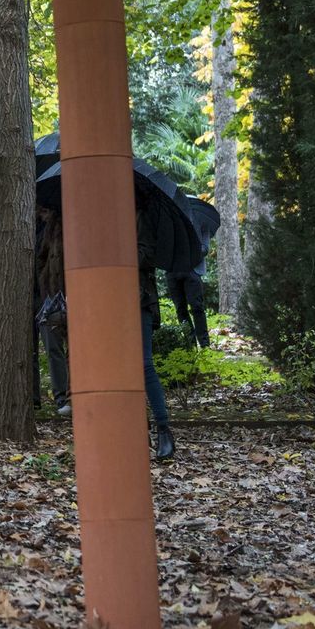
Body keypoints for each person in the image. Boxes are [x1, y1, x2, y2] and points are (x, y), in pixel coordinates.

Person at [138, 191, 176, 460]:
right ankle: (139, 430)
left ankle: (164, 429)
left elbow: (146, 255)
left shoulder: (141, 217)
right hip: (111, 301)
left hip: (138, 300)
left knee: (144, 364)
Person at [35, 205, 70, 416]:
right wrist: (45, 285)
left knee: (75, 350)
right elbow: (41, 259)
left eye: (46, 211)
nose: (42, 215)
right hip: (51, 297)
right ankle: (61, 397)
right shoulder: (45, 231)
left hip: (72, 293)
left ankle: (72, 395)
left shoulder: (69, 227)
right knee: (53, 346)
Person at [166, 263, 211, 348]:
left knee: (197, 307)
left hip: (192, 269)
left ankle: (204, 345)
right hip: (172, 271)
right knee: (180, 308)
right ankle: (190, 344)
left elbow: (204, 249)